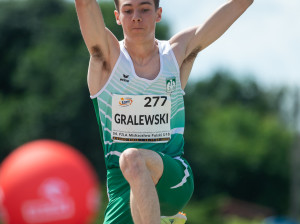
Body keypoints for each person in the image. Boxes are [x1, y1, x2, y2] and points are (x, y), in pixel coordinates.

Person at [74, 0, 254, 223]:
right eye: (128, 10)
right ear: (117, 17)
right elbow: (84, 4)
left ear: (158, 14)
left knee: (132, 157)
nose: (136, 17)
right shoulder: (107, 58)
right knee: (132, 163)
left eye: (145, 9)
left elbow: (239, 4)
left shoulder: (175, 54)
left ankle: (163, 216)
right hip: (124, 187)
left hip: (173, 178)